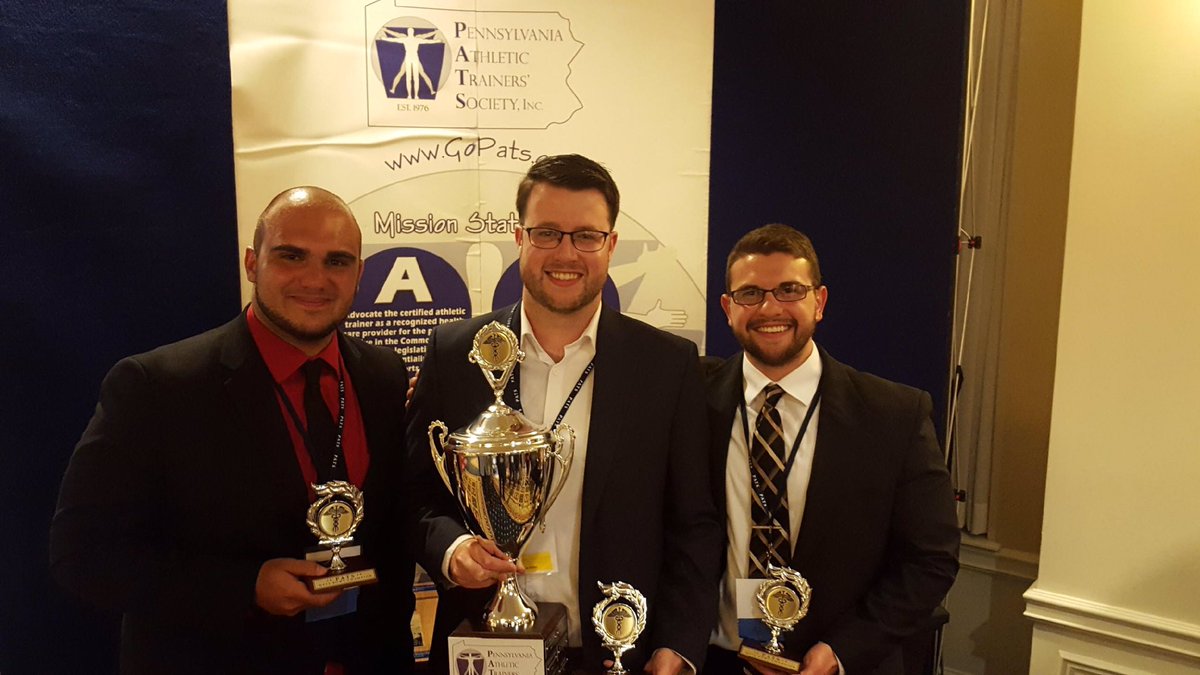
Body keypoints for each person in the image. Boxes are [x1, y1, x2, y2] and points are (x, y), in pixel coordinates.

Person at [50, 187, 414, 674]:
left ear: (359, 274)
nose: (315, 279)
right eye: (291, 256)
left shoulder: (383, 375)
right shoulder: (157, 387)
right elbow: (82, 553)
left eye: (337, 262)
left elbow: (393, 531)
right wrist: (245, 587)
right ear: (251, 262)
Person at [405, 154, 721, 674]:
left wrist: (678, 647)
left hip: (620, 655)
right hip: (485, 646)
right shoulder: (455, 352)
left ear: (611, 245)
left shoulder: (666, 366)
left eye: (587, 236)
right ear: (519, 237)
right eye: (548, 232)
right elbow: (412, 494)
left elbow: (695, 523)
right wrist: (451, 549)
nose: (567, 253)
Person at [704, 225, 959, 675]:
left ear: (818, 302)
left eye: (789, 290)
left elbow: (931, 560)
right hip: (716, 660)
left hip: (838, 664)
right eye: (750, 294)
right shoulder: (694, 402)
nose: (769, 308)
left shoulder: (893, 414)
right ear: (728, 308)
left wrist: (842, 651)